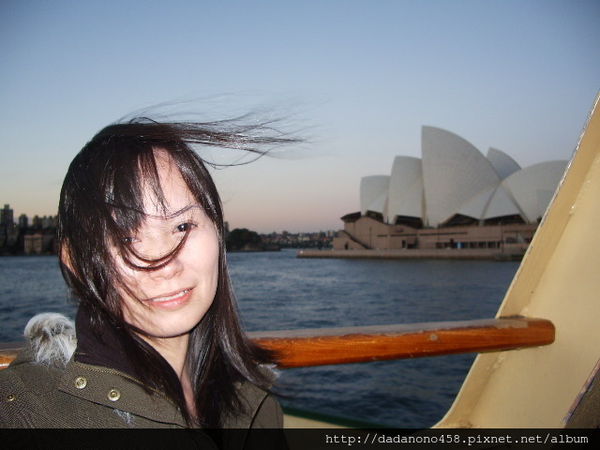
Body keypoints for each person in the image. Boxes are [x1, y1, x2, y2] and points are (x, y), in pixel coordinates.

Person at [0, 117, 296, 435]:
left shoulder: (257, 406)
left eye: (183, 226)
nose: (164, 263)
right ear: (76, 261)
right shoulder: (24, 411)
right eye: (126, 237)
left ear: (219, 234)